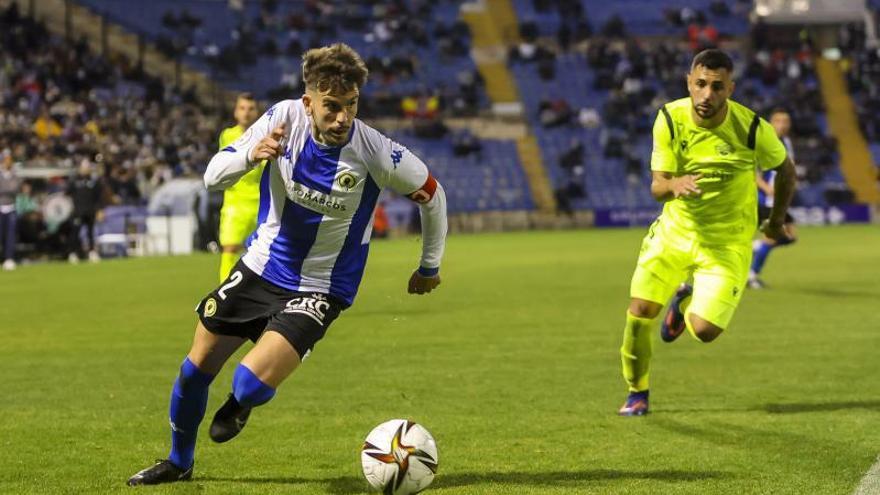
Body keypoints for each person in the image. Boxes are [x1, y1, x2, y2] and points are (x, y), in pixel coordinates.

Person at [127, 43, 448, 485]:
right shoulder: (282, 119)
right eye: (331, 107)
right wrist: (250, 155)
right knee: (193, 369)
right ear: (308, 101)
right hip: (260, 267)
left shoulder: (375, 152)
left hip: (322, 286)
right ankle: (178, 462)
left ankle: (239, 406)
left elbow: (433, 195)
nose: (342, 118)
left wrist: (429, 266)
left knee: (250, 386)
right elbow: (212, 176)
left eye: (351, 106)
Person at [617, 49, 796, 416]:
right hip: (674, 233)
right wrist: (674, 183)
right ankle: (638, 392)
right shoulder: (668, 117)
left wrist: (776, 220)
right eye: (700, 84)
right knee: (639, 311)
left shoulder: (751, 128)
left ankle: (685, 299)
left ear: (730, 88)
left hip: (726, 242)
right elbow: (657, 186)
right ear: (689, 82)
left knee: (705, 331)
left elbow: (787, 170)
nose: (707, 94)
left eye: (717, 86)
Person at [749, 108, 797, 289]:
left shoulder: (786, 142)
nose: (783, 125)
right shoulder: (765, 142)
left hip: (780, 199)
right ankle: (752, 276)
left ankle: (755, 247)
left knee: (791, 236)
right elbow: (753, 172)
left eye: (786, 122)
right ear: (771, 123)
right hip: (767, 200)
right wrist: (767, 188)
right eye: (779, 121)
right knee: (774, 236)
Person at [217, 93, 262, 281]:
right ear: (236, 112)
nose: (246, 113)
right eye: (242, 108)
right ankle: (223, 295)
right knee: (230, 247)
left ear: (257, 112)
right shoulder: (228, 135)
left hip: (261, 202)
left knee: (261, 252)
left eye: (250, 109)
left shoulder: (266, 134)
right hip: (235, 203)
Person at [66, 160, 106, 263]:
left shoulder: (94, 181)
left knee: (91, 233)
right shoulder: (74, 181)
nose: (86, 170)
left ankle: (92, 252)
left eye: (87, 167)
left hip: (90, 211)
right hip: (78, 211)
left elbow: (98, 198)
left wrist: (100, 210)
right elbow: (67, 195)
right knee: (75, 233)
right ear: (80, 168)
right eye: (84, 167)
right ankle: (73, 253)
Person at [0, 159, 21, 270]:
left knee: (10, 235)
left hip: (11, 208)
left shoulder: (15, 176)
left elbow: (15, 189)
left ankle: (9, 258)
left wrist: (5, 189)